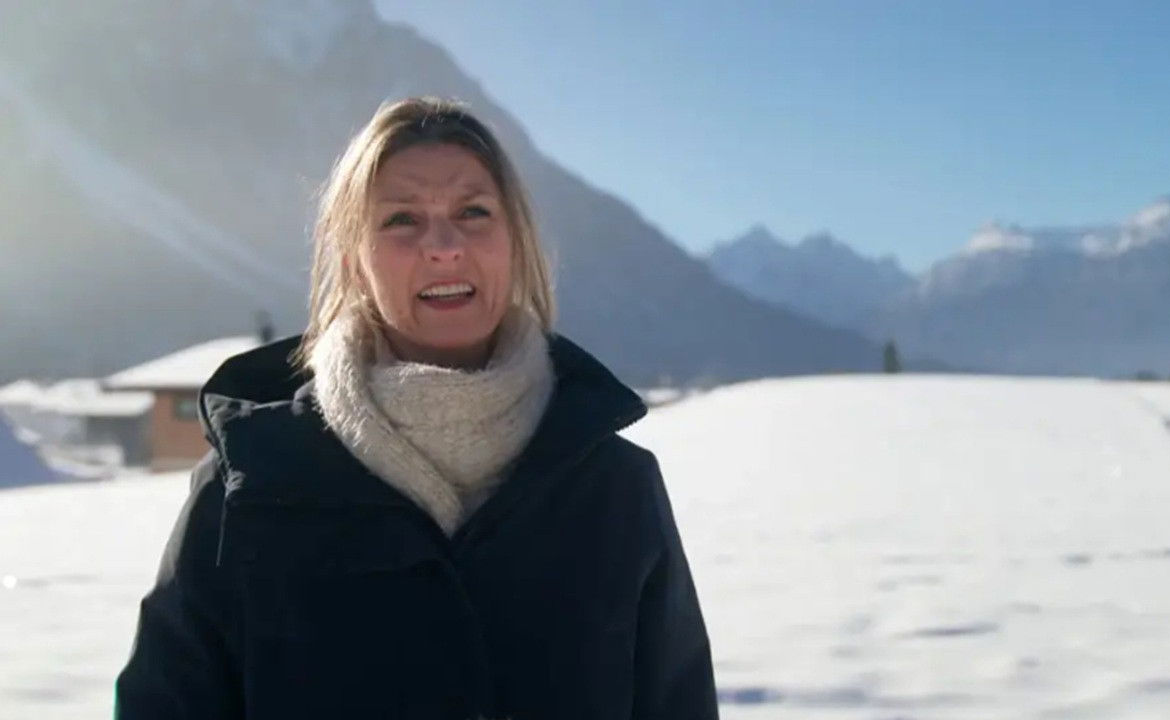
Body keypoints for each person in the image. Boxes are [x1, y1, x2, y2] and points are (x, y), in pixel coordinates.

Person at [115, 97, 719, 719]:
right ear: (353, 261)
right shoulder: (248, 487)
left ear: (515, 243)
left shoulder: (616, 488)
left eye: (473, 212)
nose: (444, 246)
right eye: (402, 219)